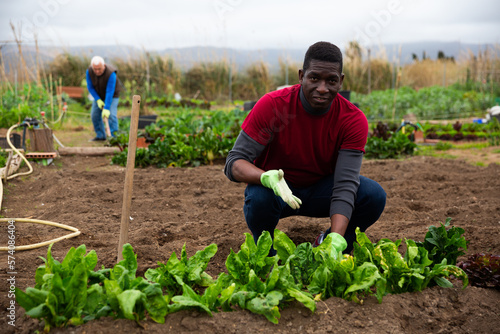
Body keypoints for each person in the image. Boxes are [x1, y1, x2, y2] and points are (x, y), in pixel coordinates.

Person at [224, 41, 386, 254]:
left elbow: (346, 183)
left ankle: (330, 245)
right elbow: (234, 163)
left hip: (322, 190)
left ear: (341, 81)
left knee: (372, 195)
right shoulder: (273, 105)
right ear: (301, 76)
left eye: (331, 80)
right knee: (258, 197)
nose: (322, 88)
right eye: (314, 78)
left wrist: (337, 236)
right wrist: (265, 177)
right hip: (278, 190)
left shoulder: (352, 119)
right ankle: (266, 250)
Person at [86, 56, 121, 141]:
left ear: (104, 65)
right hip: (99, 96)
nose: (97, 71)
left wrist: (106, 108)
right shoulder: (89, 71)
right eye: (95, 69)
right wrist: (97, 99)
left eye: (99, 69)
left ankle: (114, 138)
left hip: (112, 96)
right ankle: (100, 135)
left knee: (111, 115)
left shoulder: (111, 73)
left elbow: (110, 91)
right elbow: (90, 87)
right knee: (94, 115)